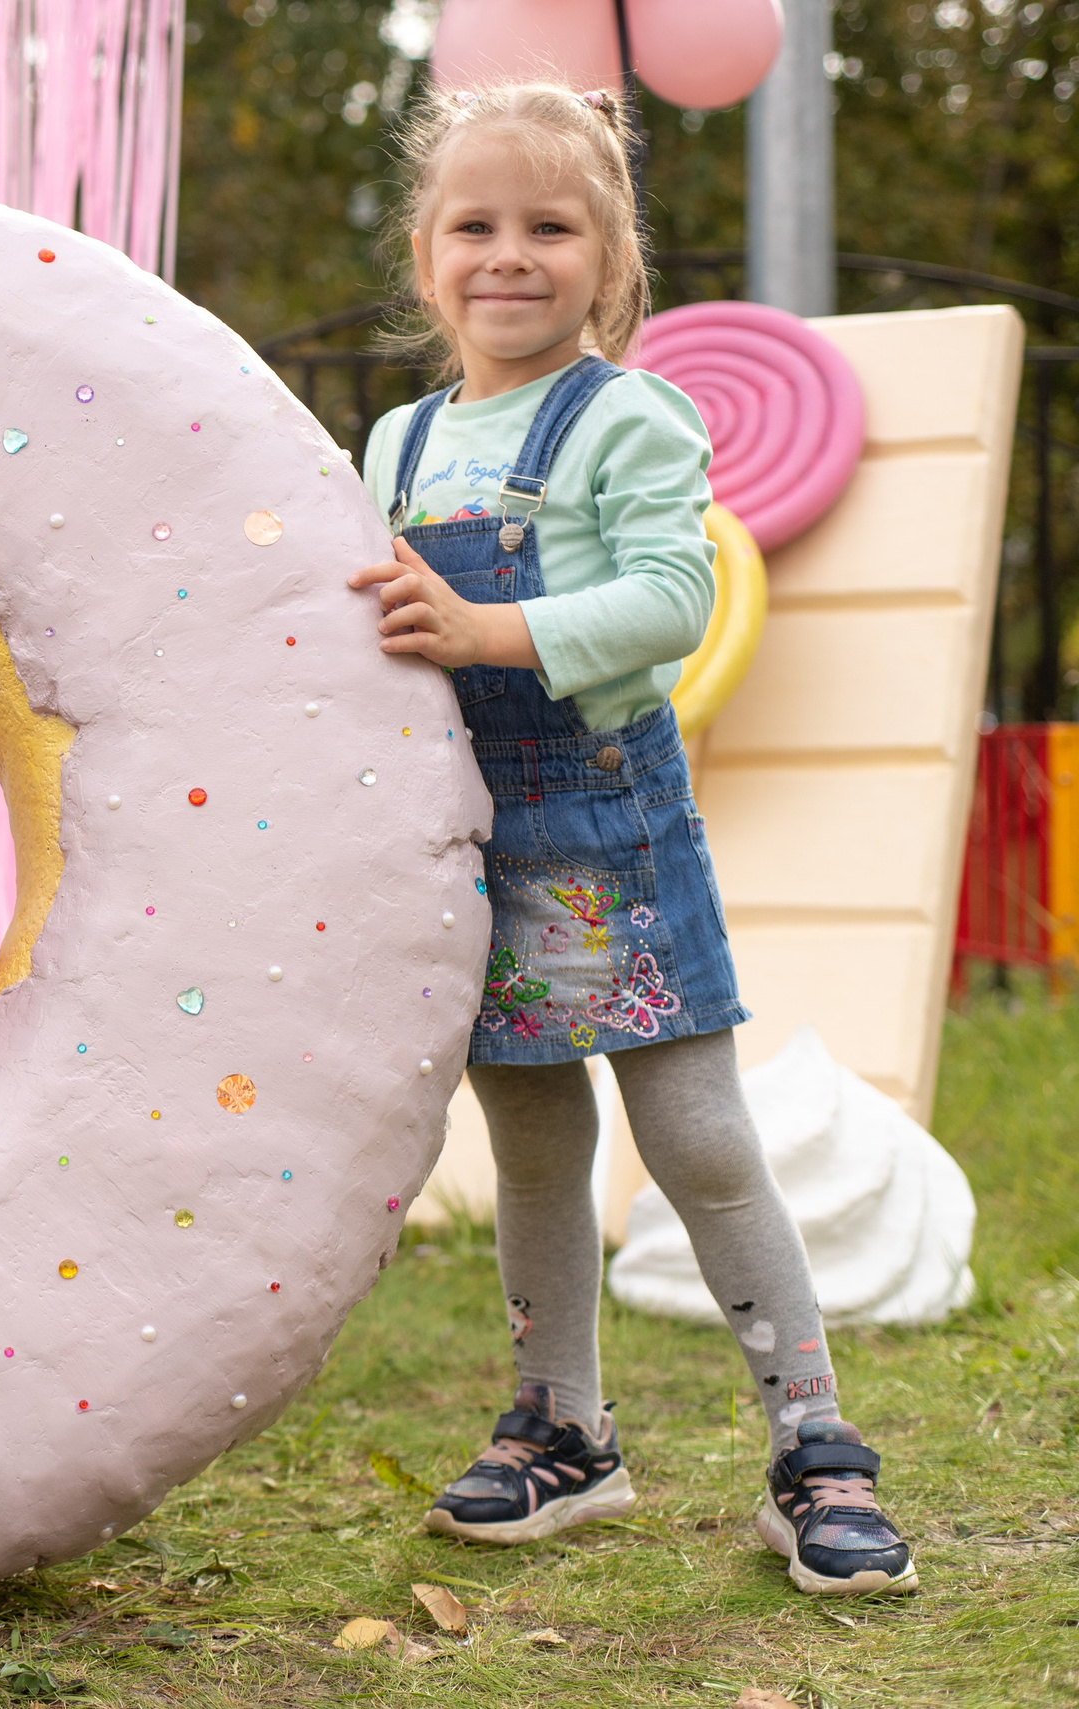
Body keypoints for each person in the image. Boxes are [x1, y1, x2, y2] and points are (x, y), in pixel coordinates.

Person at [347, 83, 915, 1596]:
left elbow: (676, 597)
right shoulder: (396, 443)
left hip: (606, 823)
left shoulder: (629, 416)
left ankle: (815, 1445)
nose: (508, 254)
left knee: (699, 1137)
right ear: (425, 256)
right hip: (472, 836)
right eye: (474, 225)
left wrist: (485, 628)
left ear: (610, 258)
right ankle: (563, 1427)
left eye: (551, 226)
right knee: (532, 1147)